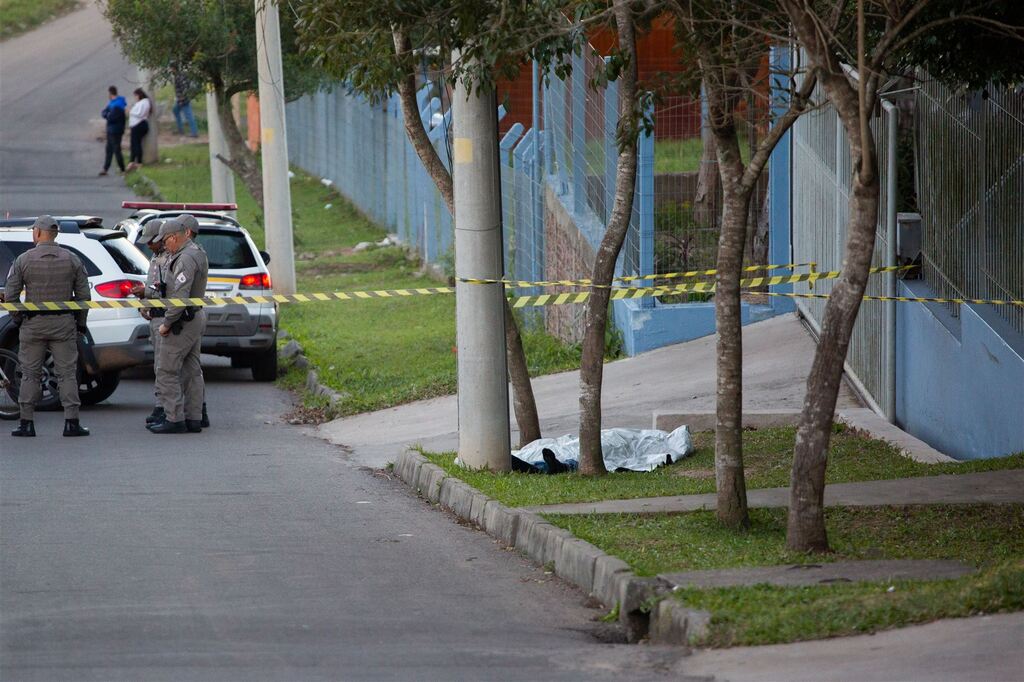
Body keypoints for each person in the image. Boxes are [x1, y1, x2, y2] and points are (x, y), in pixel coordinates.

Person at [4, 216, 91, 437]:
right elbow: (84, 297)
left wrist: (19, 318)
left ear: (39, 232)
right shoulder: (71, 259)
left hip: (33, 324)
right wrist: (80, 323)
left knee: (29, 374)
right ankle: (71, 423)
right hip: (63, 323)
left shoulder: (24, 260)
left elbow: (11, 295)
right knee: (67, 374)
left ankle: (26, 423)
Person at [149, 218, 208, 434]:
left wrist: (166, 323)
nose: (165, 246)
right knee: (192, 370)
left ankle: (174, 418)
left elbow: (180, 297)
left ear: (174, 237)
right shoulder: (196, 252)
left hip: (181, 320)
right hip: (193, 317)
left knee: (165, 370)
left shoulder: (184, 258)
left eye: (165, 241)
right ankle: (194, 418)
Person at [131, 219, 166, 426]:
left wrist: (148, 293)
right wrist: (144, 303)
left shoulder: (169, 259)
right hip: (155, 315)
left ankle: (167, 408)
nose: (149, 246)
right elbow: (153, 285)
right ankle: (162, 405)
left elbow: (165, 290)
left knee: (166, 368)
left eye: (151, 241)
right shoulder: (156, 257)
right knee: (160, 367)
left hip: (165, 317)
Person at [99, 85, 127, 176]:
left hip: (116, 130)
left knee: (116, 149)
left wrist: (107, 115)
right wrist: (107, 115)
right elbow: (103, 112)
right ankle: (105, 168)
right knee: (109, 149)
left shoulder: (118, 104)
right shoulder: (112, 103)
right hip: (111, 130)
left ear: (110, 93)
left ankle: (122, 169)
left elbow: (111, 118)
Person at [127, 88, 151, 171]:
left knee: (136, 144)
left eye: (136, 96)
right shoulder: (143, 102)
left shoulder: (143, 102)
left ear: (139, 95)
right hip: (137, 125)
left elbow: (139, 114)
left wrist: (130, 111)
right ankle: (132, 161)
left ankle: (138, 163)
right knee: (134, 144)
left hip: (138, 125)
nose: (135, 97)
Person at [172, 70, 198, 138]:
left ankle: (194, 132)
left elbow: (184, 88)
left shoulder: (180, 76)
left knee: (189, 115)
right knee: (175, 110)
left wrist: (181, 99)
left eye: (171, 68)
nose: (171, 70)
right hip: (181, 99)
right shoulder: (178, 75)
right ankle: (180, 129)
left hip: (183, 100)